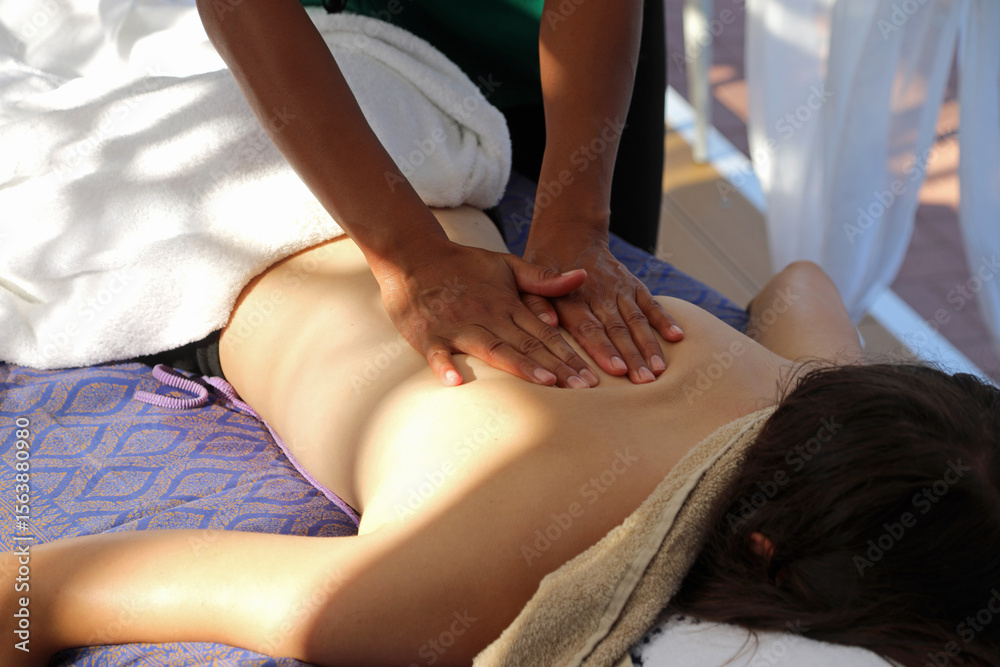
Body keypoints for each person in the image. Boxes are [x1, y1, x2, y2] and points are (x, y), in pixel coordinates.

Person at [3, 206, 998, 666]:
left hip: (406, 138)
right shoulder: (439, 586)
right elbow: (37, 592)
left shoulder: (808, 389)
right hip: (185, 228)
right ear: (769, 564)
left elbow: (799, 287)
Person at [193, 0, 683, 390]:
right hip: (391, 42)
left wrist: (577, 224)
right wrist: (410, 256)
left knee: (597, 290)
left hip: (584, 38)